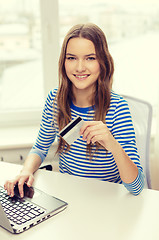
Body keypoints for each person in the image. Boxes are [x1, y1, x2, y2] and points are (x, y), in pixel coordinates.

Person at [4, 23, 144, 197]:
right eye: (71, 58)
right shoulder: (55, 101)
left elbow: (137, 187)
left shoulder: (117, 108)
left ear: (103, 62)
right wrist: (26, 171)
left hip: (108, 200)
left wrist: (111, 142)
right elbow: (40, 148)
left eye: (90, 58)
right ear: (63, 62)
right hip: (71, 198)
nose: (79, 67)